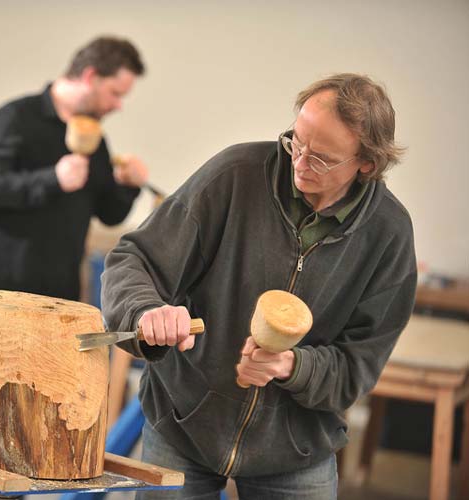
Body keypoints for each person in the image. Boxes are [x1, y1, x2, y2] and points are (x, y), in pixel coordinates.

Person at [100, 74, 417, 499]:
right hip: (185, 424)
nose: (300, 164)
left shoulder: (389, 235)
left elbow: (357, 368)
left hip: (297, 450)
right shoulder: (235, 176)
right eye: (296, 143)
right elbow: (133, 260)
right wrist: (145, 310)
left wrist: (292, 367)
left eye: (321, 158)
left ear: (367, 164)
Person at [0, 35, 150, 300]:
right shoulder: (15, 118)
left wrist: (128, 186)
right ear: (90, 76)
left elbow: (109, 214)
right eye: (115, 93)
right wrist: (53, 179)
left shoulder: (95, 138)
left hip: (62, 291)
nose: (118, 105)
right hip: (2, 290)